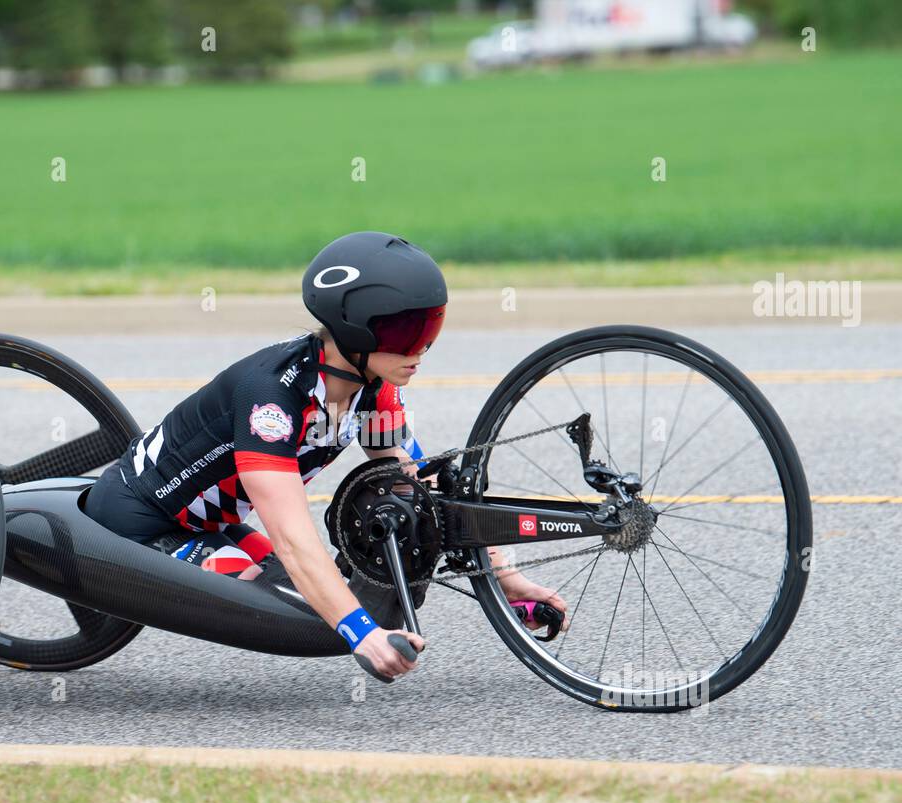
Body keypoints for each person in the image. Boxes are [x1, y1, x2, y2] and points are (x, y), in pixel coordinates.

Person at [85, 231, 568, 681]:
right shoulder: (272, 399)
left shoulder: (374, 388)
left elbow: (425, 494)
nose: (420, 349)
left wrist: (506, 580)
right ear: (355, 332)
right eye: (406, 333)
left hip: (210, 522)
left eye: (431, 329)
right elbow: (293, 539)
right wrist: (364, 636)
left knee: (321, 594)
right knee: (284, 600)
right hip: (139, 522)